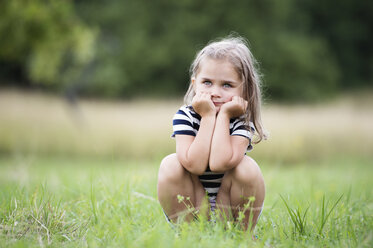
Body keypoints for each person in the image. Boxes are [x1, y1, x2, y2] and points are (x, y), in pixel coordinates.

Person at [157, 35, 267, 231]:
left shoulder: (241, 122)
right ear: (194, 83)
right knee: (170, 164)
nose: (215, 92)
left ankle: (241, 236)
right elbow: (194, 164)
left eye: (227, 85)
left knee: (247, 167)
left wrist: (224, 116)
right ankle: (188, 235)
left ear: (244, 89)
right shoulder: (185, 116)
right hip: (194, 206)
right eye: (207, 82)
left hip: (229, 210)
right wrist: (208, 117)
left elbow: (219, 163)